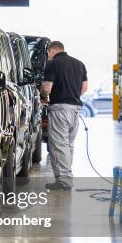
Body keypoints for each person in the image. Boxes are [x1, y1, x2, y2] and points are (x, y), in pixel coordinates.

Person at [41, 41, 88, 190]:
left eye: (48, 54)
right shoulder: (79, 64)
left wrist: (43, 96)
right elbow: (85, 87)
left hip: (60, 109)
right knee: (68, 145)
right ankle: (65, 176)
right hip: (75, 110)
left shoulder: (53, 64)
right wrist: (72, 96)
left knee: (59, 145)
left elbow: (47, 88)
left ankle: (64, 180)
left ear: (51, 51)